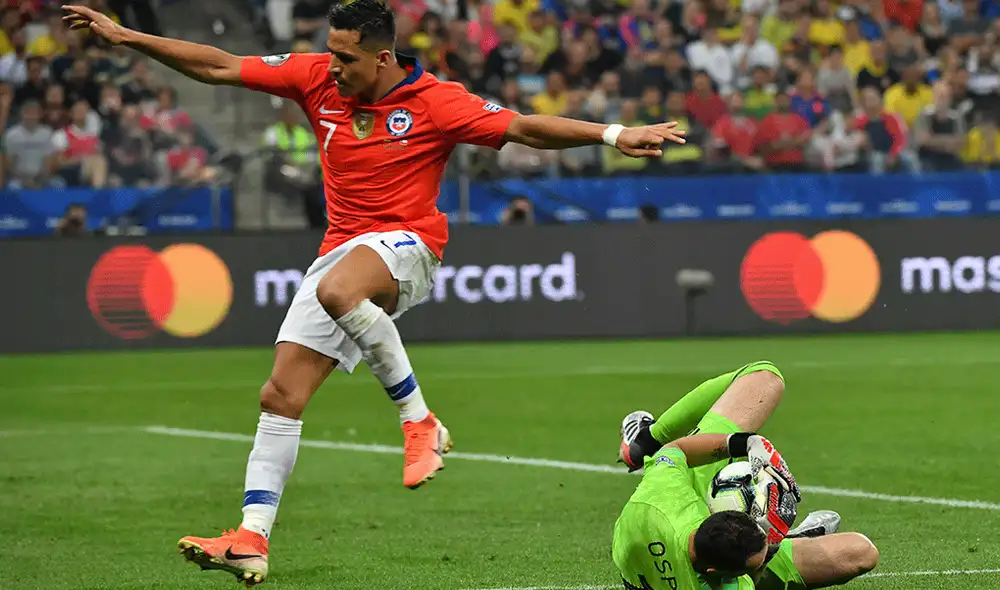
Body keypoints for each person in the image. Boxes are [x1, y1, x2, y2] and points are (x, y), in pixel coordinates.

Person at [62, 1, 687, 586]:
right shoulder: (315, 79)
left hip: (409, 246)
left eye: (346, 58)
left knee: (339, 289)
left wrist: (612, 134)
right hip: (340, 251)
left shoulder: (437, 102)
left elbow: (524, 127)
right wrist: (127, 36)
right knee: (280, 394)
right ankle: (252, 538)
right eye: (330, 54)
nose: (333, 67)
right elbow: (220, 65)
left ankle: (419, 421)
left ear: (382, 57)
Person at [614, 362, 880, 589]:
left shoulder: (661, 502)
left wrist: (747, 443)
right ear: (721, 576)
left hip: (666, 520)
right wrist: (771, 545)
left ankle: (644, 440)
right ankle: (787, 540)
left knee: (763, 379)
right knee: (860, 553)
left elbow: (675, 449)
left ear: (710, 515)